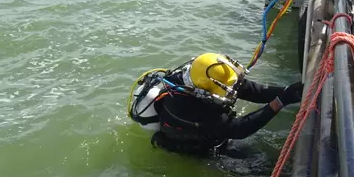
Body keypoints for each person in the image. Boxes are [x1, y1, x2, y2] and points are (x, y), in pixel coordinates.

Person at [128, 52, 303, 156]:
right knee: (259, 164)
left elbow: (252, 90)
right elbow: (240, 129)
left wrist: (287, 91)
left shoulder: (202, 76)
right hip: (199, 147)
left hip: (211, 128)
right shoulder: (186, 107)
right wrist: (280, 102)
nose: (233, 89)